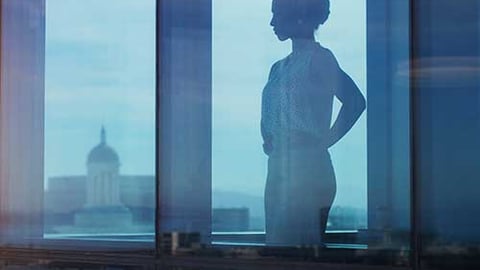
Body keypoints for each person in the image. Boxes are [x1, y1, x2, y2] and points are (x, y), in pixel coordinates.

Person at [261, 0, 366, 246]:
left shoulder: (320, 59)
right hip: (278, 169)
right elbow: (271, 116)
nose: (272, 23)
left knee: (298, 249)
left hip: (307, 170)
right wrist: (270, 138)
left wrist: (323, 142)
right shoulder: (277, 68)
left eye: (278, 15)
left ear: (299, 18)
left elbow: (355, 101)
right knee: (279, 249)